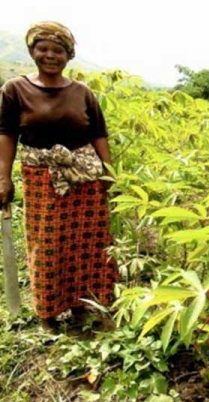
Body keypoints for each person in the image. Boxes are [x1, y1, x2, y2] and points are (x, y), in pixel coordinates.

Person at [0, 21, 118, 331]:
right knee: (46, 243)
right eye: (43, 49)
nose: (50, 55)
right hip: (41, 178)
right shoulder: (15, 89)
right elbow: (7, 133)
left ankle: (82, 304)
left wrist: (110, 175)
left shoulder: (83, 92)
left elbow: (98, 134)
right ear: (32, 52)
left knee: (88, 242)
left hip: (85, 177)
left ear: (69, 55)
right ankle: (47, 314)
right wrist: (4, 177)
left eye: (59, 50)